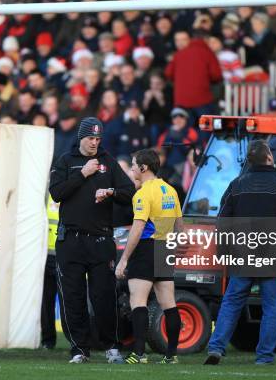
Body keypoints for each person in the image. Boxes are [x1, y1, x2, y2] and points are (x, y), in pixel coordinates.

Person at [205, 140, 276, 365]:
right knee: (272, 305)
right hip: (274, 255)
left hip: (241, 255)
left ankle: (216, 347)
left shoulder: (236, 184)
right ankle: (264, 357)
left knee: (231, 301)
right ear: (269, 157)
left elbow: (223, 222)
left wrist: (223, 251)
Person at [49, 116, 135, 363]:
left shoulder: (108, 162)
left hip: (100, 240)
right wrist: (83, 175)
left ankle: (112, 346)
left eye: (98, 138)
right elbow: (56, 193)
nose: (95, 143)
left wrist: (112, 192)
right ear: (80, 137)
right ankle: (79, 349)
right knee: (73, 297)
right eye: (90, 138)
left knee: (104, 296)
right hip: (70, 241)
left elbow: (129, 192)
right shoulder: (66, 161)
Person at [115, 149, 183, 364]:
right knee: (168, 303)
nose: (132, 168)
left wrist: (124, 258)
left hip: (145, 248)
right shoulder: (170, 190)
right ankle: (171, 356)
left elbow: (137, 228)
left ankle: (139, 354)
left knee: (138, 300)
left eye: (134, 165)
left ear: (143, 168)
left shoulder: (143, 193)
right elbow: (180, 228)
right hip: (164, 248)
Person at [40, 194, 60, 350]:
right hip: (46, 255)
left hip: (65, 255)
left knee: (71, 300)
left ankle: (77, 339)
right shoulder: (45, 193)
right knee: (46, 301)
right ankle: (48, 339)